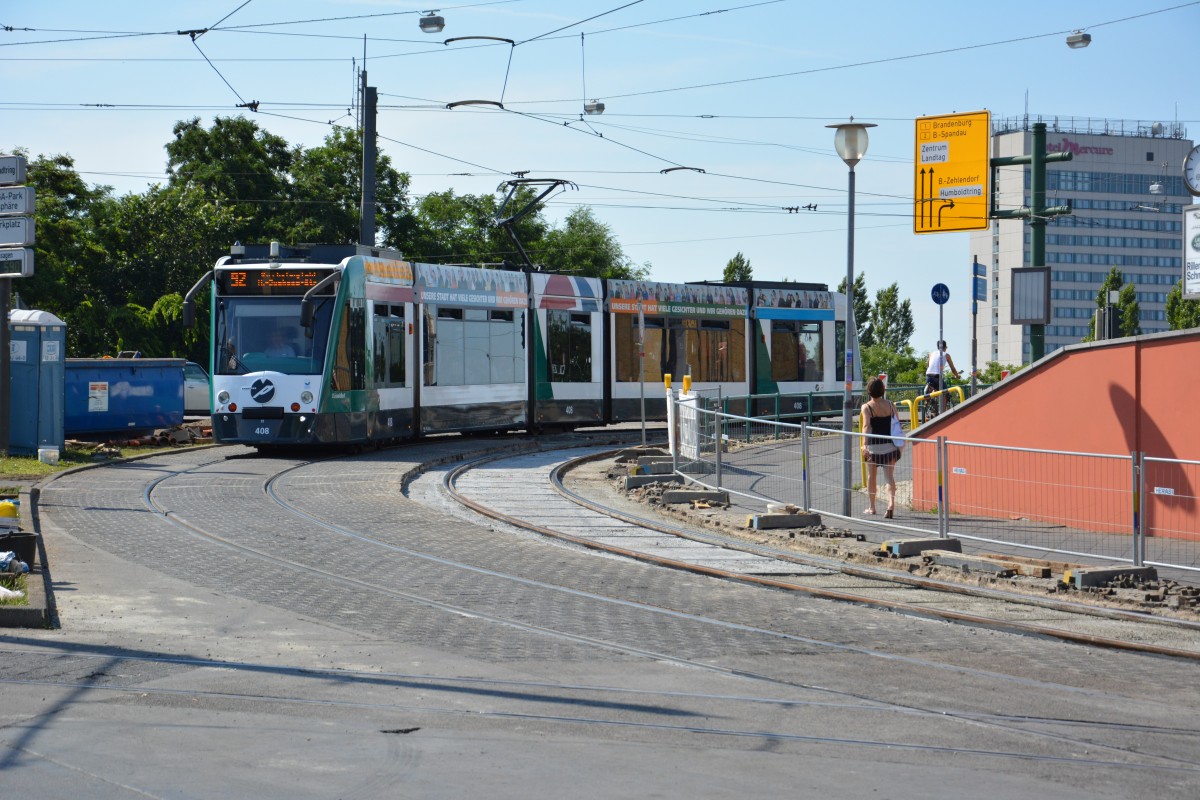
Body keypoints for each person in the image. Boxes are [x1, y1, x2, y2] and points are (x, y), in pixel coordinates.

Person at [860, 377, 900, 518]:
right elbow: (897, 423)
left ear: (869, 391)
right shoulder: (890, 405)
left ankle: (872, 507)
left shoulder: (867, 407)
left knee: (872, 477)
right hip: (890, 445)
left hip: (874, 446)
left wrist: (864, 444)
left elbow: (866, 426)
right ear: (883, 390)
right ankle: (891, 504)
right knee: (889, 477)